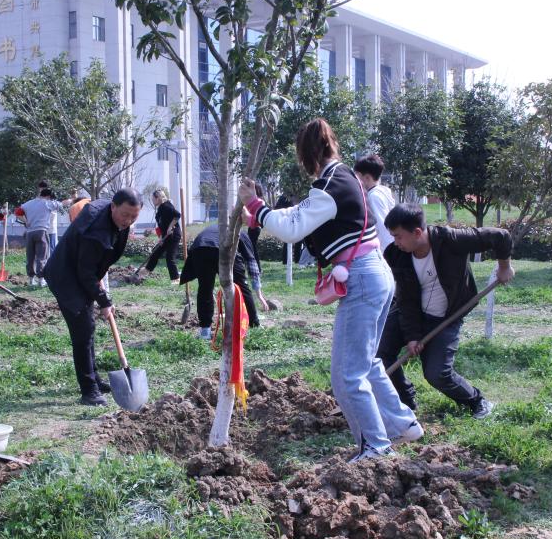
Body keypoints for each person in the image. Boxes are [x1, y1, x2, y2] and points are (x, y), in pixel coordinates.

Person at [240, 118, 422, 462]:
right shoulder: (345, 176)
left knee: (346, 376)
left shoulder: (330, 184)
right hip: (375, 274)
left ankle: (375, 447)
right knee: (367, 362)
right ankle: (403, 425)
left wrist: (256, 206)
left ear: (307, 154)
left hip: (362, 278)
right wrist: (260, 213)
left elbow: (292, 227)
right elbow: (299, 213)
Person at [377, 204, 513, 416]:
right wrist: (413, 336)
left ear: (417, 232)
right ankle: (405, 402)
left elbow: (501, 237)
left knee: (437, 374)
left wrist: (504, 267)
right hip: (411, 312)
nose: (396, 242)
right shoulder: (396, 254)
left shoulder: (452, 240)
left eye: (398, 236)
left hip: (445, 317)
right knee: (381, 354)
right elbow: (406, 300)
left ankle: (476, 401)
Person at [44, 189, 142, 405]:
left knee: (88, 327)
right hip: (65, 276)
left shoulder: (114, 217)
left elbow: (95, 264)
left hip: (82, 270)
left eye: (134, 216)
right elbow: (85, 273)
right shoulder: (96, 233)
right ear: (113, 207)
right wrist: (104, 301)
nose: (128, 221)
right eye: (125, 215)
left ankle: (94, 379)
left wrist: (99, 286)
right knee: (82, 330)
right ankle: (89, 390)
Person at [180, 214, 266, 339]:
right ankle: (254, 325)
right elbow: (251, 262)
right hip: (221, 249)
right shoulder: (240, 233)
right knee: (241, 287)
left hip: (200, 249)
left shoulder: (213, 227)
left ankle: (205, 332)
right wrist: (259, 293)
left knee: (205, 289)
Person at [15, 188, 65, 286]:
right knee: (42, 256)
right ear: (48, 196)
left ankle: (31, 279)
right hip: (41, 231)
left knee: (30, 256)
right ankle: (41, 279)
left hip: (30, 233)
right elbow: (62, 204)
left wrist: (26, 221)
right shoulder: (47, 203)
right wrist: (72, 199)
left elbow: (17, 212)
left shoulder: (28, 204)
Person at [354, 155, 396, 252]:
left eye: (357, 176)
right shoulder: (383, 191)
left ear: (367, 178)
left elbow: (382, 228)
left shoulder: (374, 197)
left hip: (385, 251)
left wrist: (386, 254)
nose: (355, 180)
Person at [140, 189, 182, 283]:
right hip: (166, 236)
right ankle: (145, 272)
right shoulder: (160, 209)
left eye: (153, 199)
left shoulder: (167, 206)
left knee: (170, 257)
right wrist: (160, 238)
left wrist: (170, 227)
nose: (152, 201)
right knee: (156, 252)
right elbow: (160, 226)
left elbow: (177, 215)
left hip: (173, 234)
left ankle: (176, 279)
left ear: (158, 198)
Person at [38, 180, 62, 252]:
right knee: (45, 249)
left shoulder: (50, 199)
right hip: (44, 229)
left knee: (51, 249)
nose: (41, 190)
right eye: (40, 188)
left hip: (50, 229)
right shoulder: (40, 199)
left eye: (42, 188)